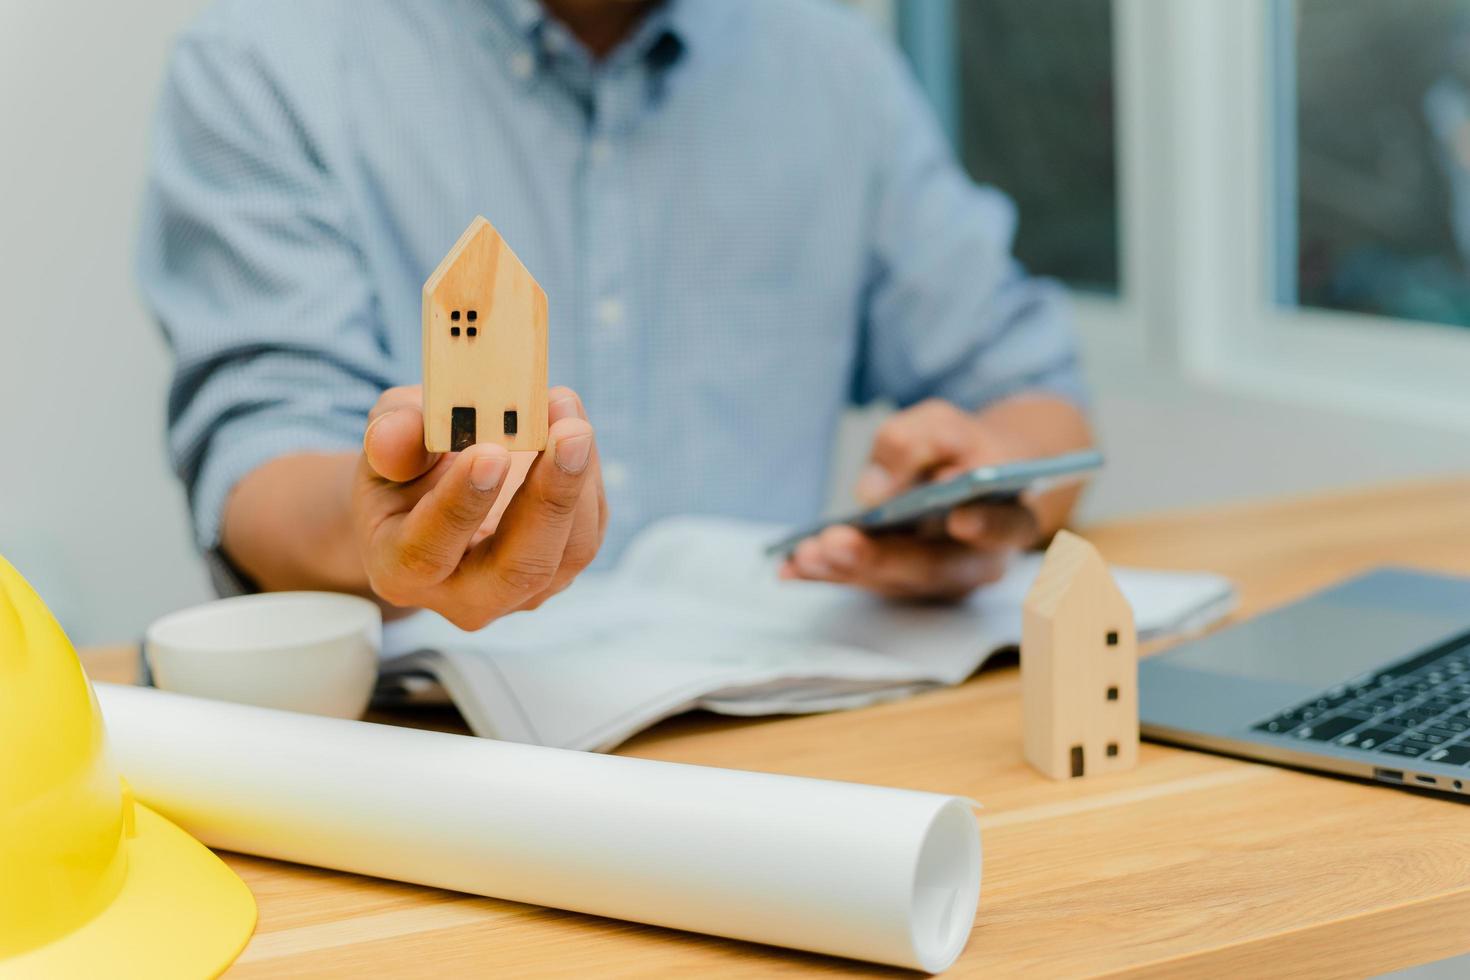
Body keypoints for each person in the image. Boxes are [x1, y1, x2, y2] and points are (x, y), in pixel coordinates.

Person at [138, 0, 1092, 629]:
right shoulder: (264, 63)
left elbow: (1033, 392)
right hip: (424, 760)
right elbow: (258, 455)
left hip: (777, 749)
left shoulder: (837, 68)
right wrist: (379, 526)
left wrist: (980, 493)